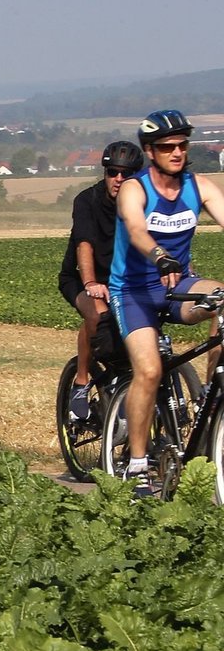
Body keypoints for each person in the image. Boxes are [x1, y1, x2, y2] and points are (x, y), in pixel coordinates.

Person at [108, 109, 224, 497]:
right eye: (167, 147)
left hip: (177, 288)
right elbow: (136, 228)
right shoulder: (134, 189)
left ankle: (211, 391)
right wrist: (160, 256)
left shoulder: (198, 186)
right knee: (150, 371)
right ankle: (138, 463)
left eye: (182, 145)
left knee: (221, 297)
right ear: (150, 151)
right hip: (133, 291)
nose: (177, 152)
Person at [61, 141, 145, 419]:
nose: (119, 179)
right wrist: (90, 283)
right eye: (113, 172)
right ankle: (82, 381)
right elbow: (84, 245)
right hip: (82, 277)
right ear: (105, 173)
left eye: (127, 173)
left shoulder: (142, 202)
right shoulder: (87, 201)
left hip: (124, 282)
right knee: (97, 313)